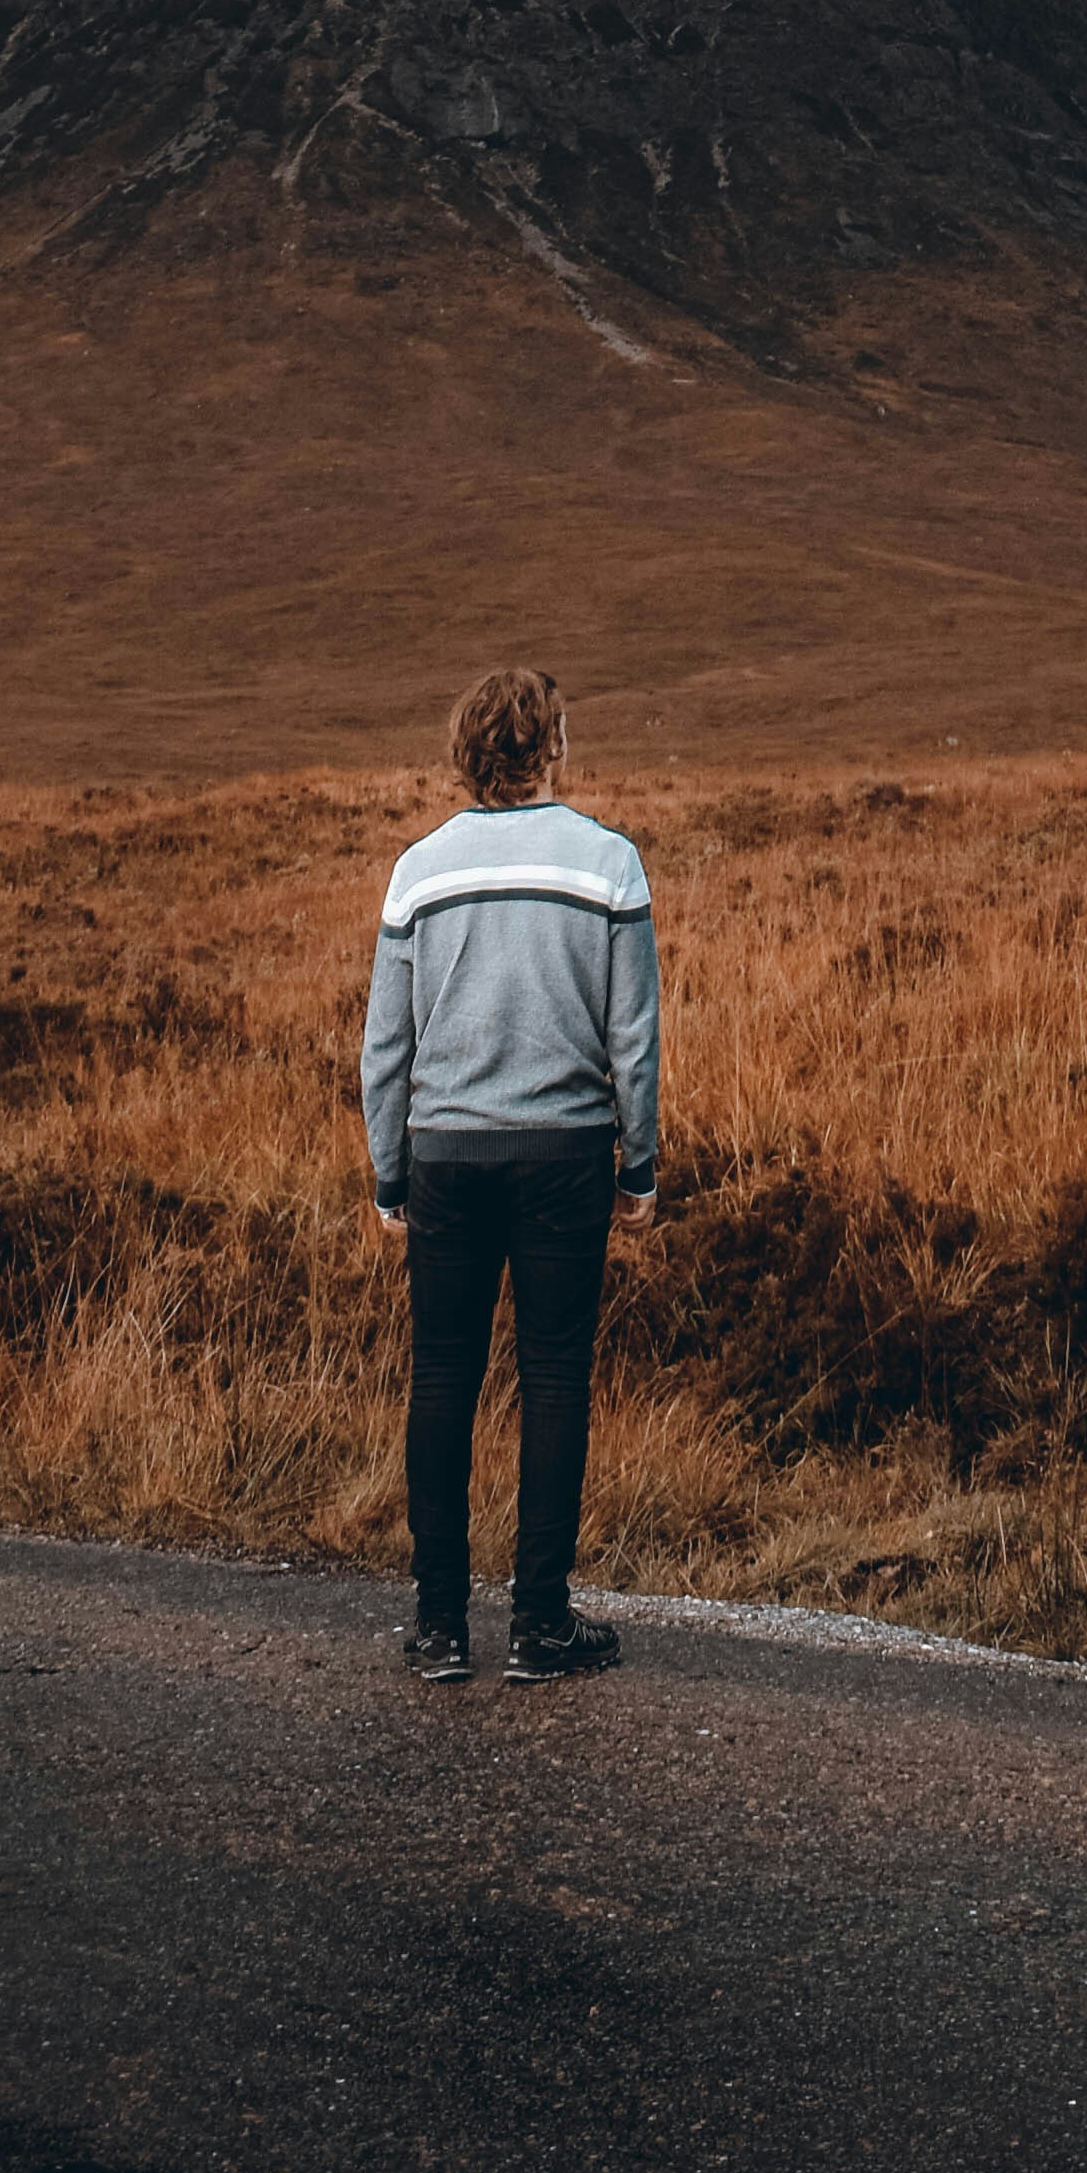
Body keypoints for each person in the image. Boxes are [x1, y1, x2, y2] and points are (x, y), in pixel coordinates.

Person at [360, 663, 659, 1683]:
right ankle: (540, 1625)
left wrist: (387, 1179)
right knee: (555, 1380)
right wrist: (642, 1168)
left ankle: (440, 1628)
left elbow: (384, 1048)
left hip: (444, 1154)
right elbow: (634, 1038)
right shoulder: (609, 865)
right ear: (553, 745)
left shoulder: (418, 871)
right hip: (565, 1157)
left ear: (468, 748)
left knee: (442, 1378)